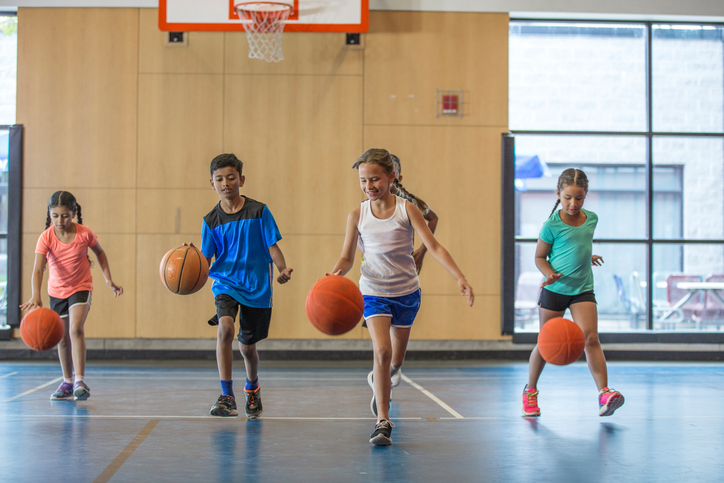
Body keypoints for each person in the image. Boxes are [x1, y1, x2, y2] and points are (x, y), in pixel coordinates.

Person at [329, 148, 474, 446]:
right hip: (373, 292)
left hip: (407, 292)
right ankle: (383, 420)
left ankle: (383, 376)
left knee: (395, 359)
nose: (369, 186)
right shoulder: (357, 214)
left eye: (375, 179)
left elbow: (434, 247)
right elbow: (346, 258)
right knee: (381, 352)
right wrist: (332, 277)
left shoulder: (407, 209)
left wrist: (459, 276)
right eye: (363, 181)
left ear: (391, 177)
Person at [523, 168, 624, 418]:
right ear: (558, 194)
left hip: (582, 289)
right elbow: (539, 257)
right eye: (568, 197)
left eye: (579, 198)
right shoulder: (551, 225)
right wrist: (549, 273)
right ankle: (530, 392)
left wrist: (587, 257)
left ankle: (604, 394)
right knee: (545, 344)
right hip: (554, 290)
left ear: (585, 196)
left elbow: (578, 246)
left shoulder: (592, 219)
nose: (573, 203)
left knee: (591, 338)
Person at [200, 153, 292, 418]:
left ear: (241, 179)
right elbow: (206, 260)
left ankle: (252, 388)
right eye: (219, 179)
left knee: (247, 348)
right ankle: (226, 396)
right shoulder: (210, 221)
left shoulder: (259, 211)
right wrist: (192, 268)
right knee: (225, 328)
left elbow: (272, 246)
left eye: (230, 177)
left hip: (257, 285)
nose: (225, 183)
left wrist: (282, 269)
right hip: (225, 283)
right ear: (212, 183)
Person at [20, 191, 124, 401]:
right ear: (50, 213)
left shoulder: (84, 233)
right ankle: (67, 381)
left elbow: (100, 253)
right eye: (56, 215)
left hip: (80, 287)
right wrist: (35, 295)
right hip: (56, 292)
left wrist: (108, 280)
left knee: (75, 329)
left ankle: (79, 380)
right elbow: (38, 269)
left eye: (65, 215)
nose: (60, 220)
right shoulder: (46, 237)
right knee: (62, 338)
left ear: (74, 213)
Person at [389, 154, 439, 274]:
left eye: (390, 175)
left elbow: (433, 218)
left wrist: (422, 251)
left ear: (398, 178)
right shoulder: (368, 204)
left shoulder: (409, 202)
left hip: (403, 269)